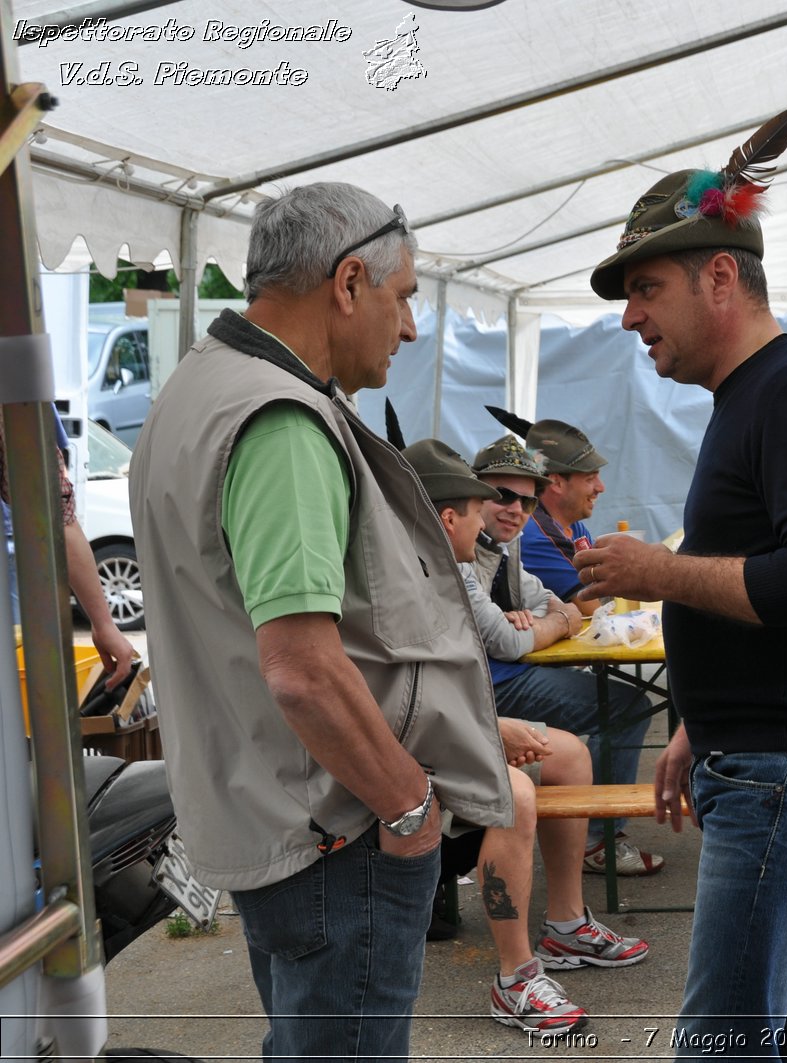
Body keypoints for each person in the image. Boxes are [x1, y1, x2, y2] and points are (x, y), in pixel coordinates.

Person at [128, 182, 513, 1058]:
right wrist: (411, 806)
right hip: (337, 834)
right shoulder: (282, 421)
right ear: (347, 283)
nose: (409, 326)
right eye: (404, 295)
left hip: (269, 810)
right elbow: (301, 668)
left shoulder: (196, 388)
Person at [576, 83, 787, 1059]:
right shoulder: (751, 394)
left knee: (721, 1040)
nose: (630, 317)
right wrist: (701, 728)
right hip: (768, 758)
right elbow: (772, 573)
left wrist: (656, 571)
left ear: (721, 274)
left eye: (645, 289)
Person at [400, 436, 646, 1034]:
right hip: (409, 738)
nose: (505, 514)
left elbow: (547, 610)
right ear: (449, 516)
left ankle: (566, 925)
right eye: (492, 503)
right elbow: (412, 688)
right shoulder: (431, 570)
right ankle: (514, 976)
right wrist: (492, 727)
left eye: (520, 502)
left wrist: (545, 621)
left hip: (461, 715)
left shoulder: (465, 557)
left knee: (571, 754)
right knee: (517, 793)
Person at [470, 431, 663, 876]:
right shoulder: (465, 550)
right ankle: (600, 839)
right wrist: (548, 622)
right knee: (626, 705)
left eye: (527, 501)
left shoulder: (506, 541)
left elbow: (557, 605)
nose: (516, 509)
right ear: (472, 494)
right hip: (487, 690)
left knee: (620, 705)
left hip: (501, 677)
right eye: (501, 495)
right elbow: (521, 635)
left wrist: (542, 619)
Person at [2, 407, 137, 686]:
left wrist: (103, 623)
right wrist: (103, 623)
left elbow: (56, 514)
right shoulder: (16, 395)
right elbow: (58, 516)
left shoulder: (16, 400)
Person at [515, 417, 611, 616]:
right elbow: (596, 612)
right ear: (556, 483)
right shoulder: (537, 535)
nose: (601, 487)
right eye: (590, 478)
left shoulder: (570, 525)